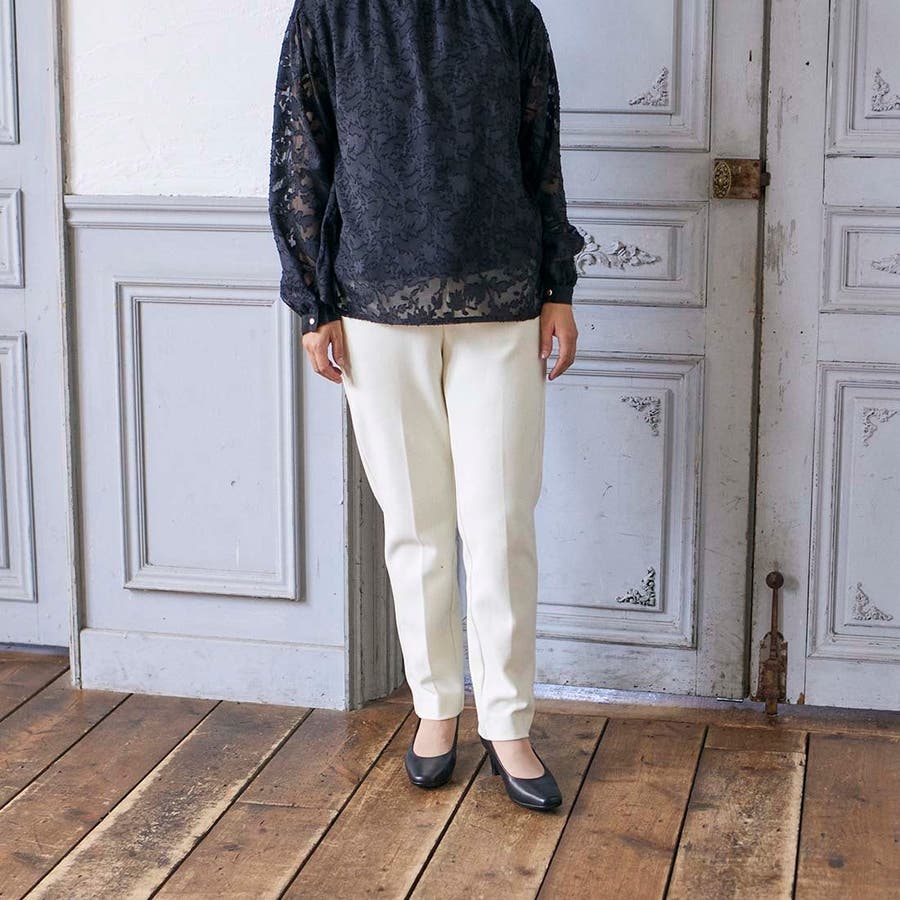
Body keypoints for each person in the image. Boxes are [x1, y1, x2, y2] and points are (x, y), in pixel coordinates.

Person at [268, 0, 584, 812]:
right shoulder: (327, 15)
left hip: (503, 303)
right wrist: (312, 304)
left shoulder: (509, 12)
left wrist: (559, 286)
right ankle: (436, 709)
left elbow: (540, 150)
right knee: (416, 529)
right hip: (374, 305)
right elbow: (302, 154)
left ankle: (507, 723)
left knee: (501, 525)